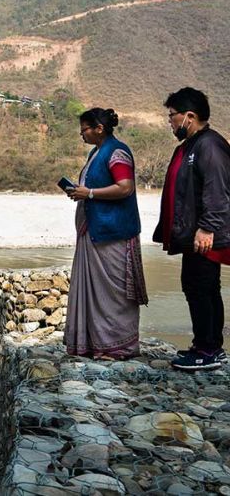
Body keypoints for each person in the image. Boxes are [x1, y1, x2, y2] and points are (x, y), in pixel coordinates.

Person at [153, 87, 230, 371]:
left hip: (204, 234)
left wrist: (207, 228)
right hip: (192, 233)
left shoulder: (210, 145)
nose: (170, 122)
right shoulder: (189, 146)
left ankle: (208, 350)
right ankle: (206, 345)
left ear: (189, 116)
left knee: (202, 287)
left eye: (172, 116)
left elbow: (218, 191)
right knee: (200, 286)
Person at [64, 107, 148, 360]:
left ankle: (119, 346)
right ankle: (97, 343)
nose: (82, 135)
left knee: (114, 292)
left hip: (113, 232)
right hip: (96, 230)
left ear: (99, 129)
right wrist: (82, 192)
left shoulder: (117, 152)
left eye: (85, 130)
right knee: (99, 291)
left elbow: (125, 187)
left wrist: (88, 193)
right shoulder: (97, 152)